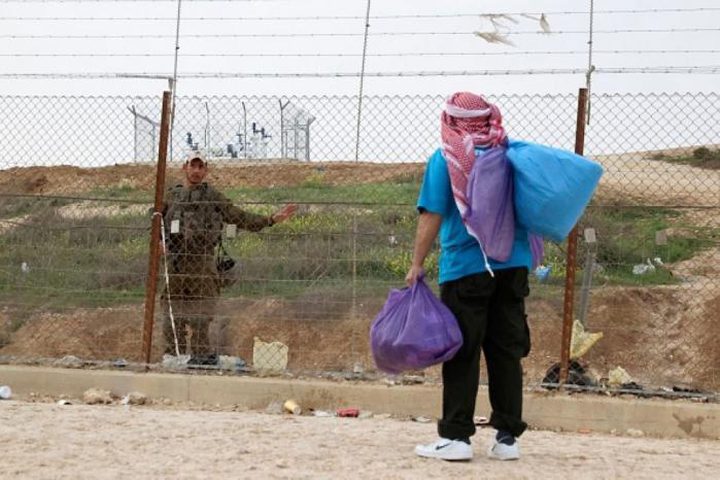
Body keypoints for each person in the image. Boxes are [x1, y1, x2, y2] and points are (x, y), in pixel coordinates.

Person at [407, 92, 533, 462]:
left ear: (451, 121)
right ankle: (507, 439)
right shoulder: (508, 154)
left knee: (462, 351)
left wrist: (417, 262)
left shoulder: (446, 158)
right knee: (505, 351)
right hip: (513, 265)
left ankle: (457, 437)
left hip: (466, 268)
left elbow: (431, 213)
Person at [160, 151, 297, 364]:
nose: (196, 171)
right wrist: (158, 242)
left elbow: (238, 217)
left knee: (201, 317)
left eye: (200, 167)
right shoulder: (171, 196)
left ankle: (199, 362)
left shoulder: (213, 197)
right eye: (192, 166)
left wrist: (270, 220)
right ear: (184, 167)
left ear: (206, 170)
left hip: (202, 263)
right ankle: (173, 360)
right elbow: (155, 219)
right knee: (172, 314)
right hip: (175, 263)